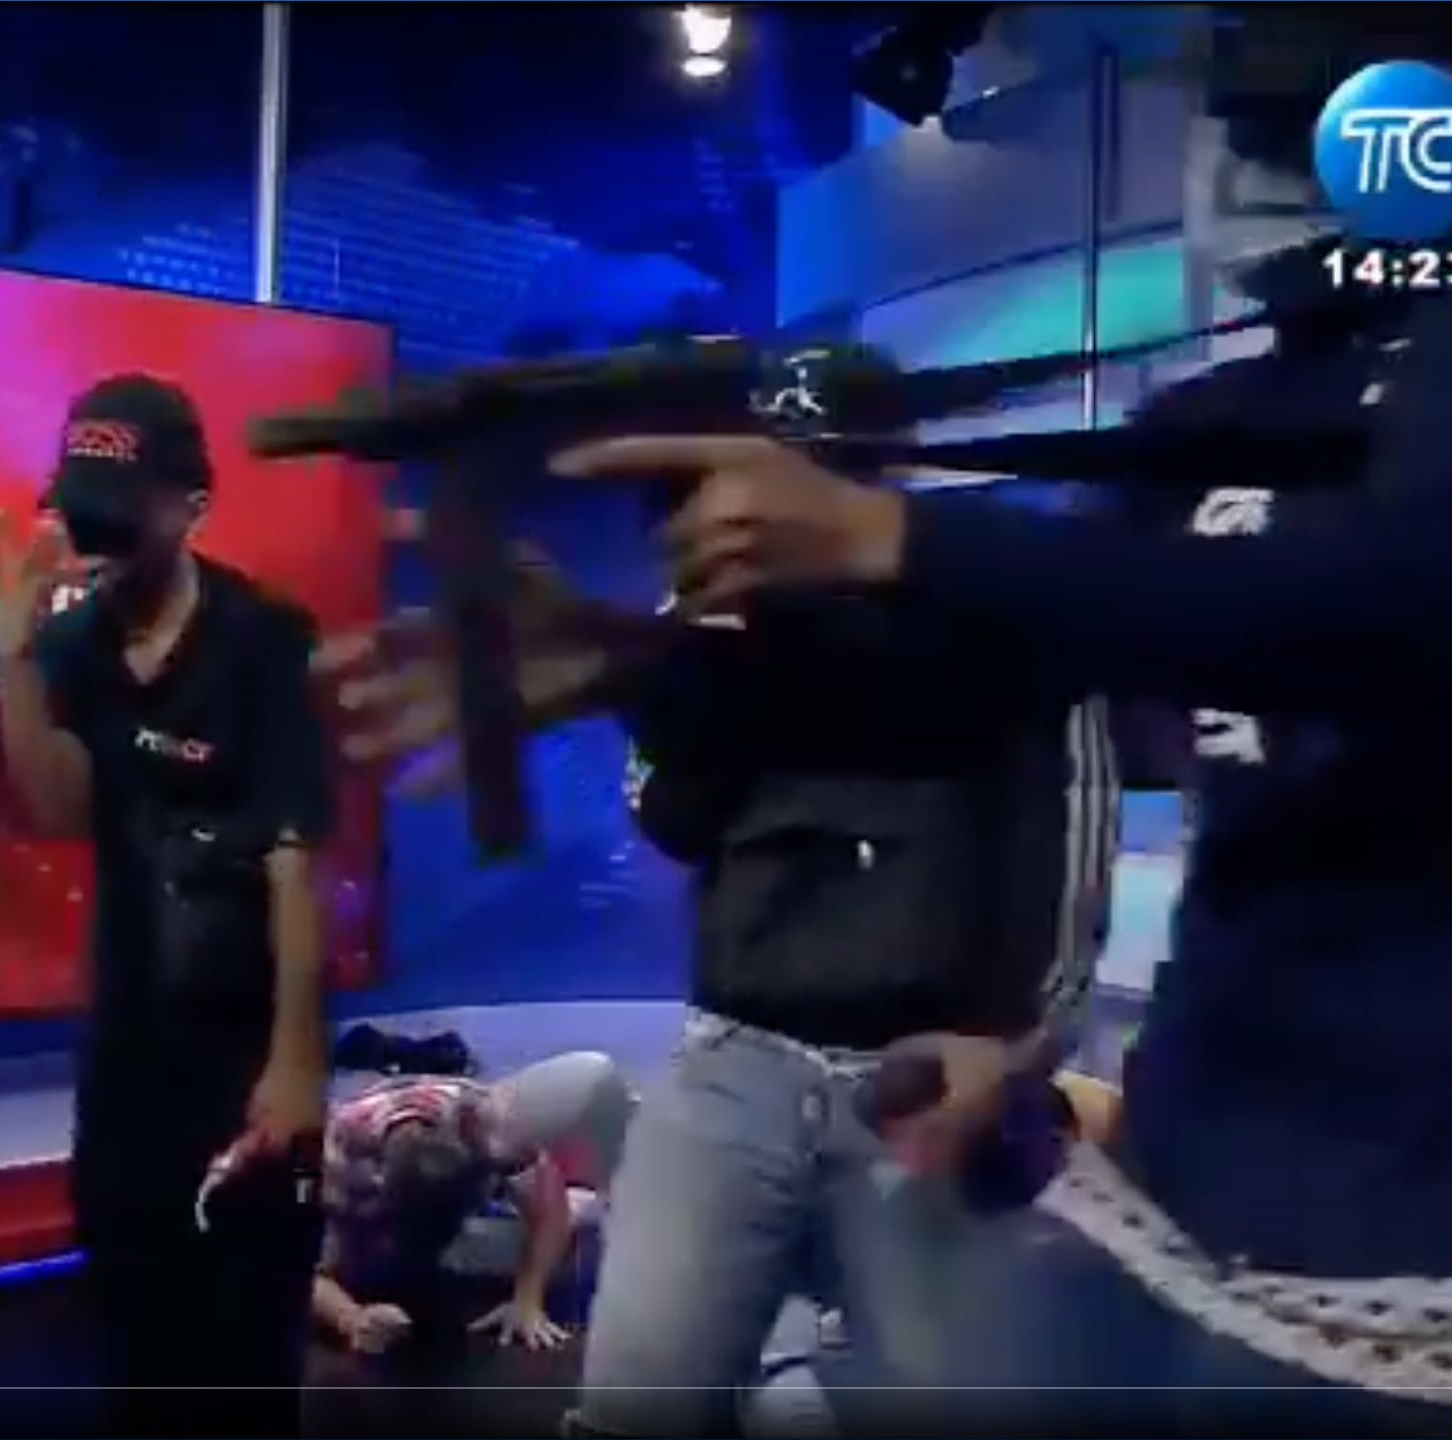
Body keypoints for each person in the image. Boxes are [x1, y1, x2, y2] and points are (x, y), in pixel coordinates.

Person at [354, 10, 1452, 1427]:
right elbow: (977, 681)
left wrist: (898, 544)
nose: (1267, 168)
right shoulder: (1251, 397)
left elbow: (1397, 608)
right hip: (1222, 1170)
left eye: (1320, 121)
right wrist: (639, 666)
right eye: (1253, 124)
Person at [321, 346, 1118, 1434]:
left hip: (924, 1074)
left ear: (882, 474)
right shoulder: (704, 608)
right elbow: (670, 819)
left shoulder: (992, 612)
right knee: (636, 1400)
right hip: (736, 1053)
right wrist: (698, 682)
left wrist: (1027, 1043)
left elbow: (1073, 822)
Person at [0, 374, 336, 1433]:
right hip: (129, 1036)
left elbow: (295, 856)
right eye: (82, 508)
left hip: (243, 1041)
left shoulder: (265, 639)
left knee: (245, 1345)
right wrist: (13, 664)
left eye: (120, 508)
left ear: (191, 506)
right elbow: (59, 809)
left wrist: (296, 1064)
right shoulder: (74, 648)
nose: (97, 535)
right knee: (137, 1338)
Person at [311, 1051, 635, 1379]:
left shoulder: (487, 1129)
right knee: (367, 1271)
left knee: (566, 1228)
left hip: (466, 1145)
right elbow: (297, 1265)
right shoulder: (338, 1168)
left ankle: (573, 1192)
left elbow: (549, 1208)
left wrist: (527, 1300)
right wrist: (350, 1317)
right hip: (368, 1191)